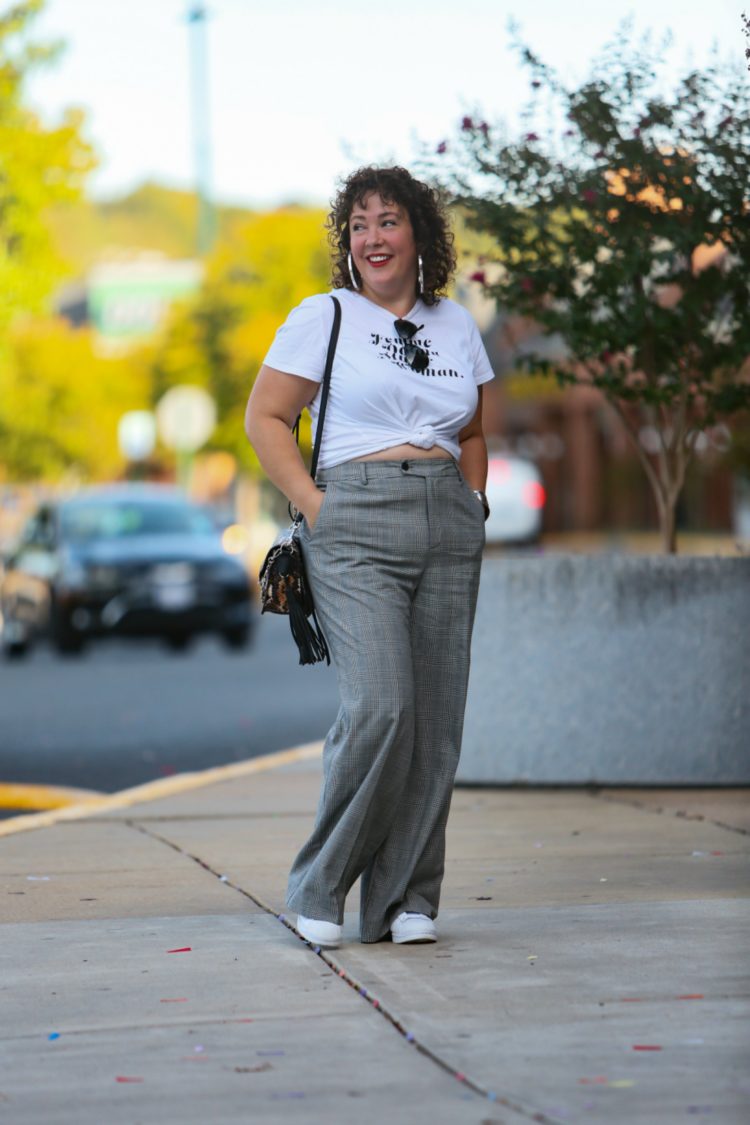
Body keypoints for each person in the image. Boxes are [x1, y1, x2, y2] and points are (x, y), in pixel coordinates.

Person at [245, 165, 494, 948]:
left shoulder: (455, 324)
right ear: (345, 241)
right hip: (355, 518)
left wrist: (475, 504)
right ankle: (320, 885)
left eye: (388, 221)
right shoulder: (324, 316)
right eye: (358, 224)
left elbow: (476, 432)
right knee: (383, 706)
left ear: (420, 234)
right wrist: (319, 509)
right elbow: (267, 418)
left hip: (447, 520)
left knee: (435, 720)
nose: (372, 237)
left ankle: (406, 900)